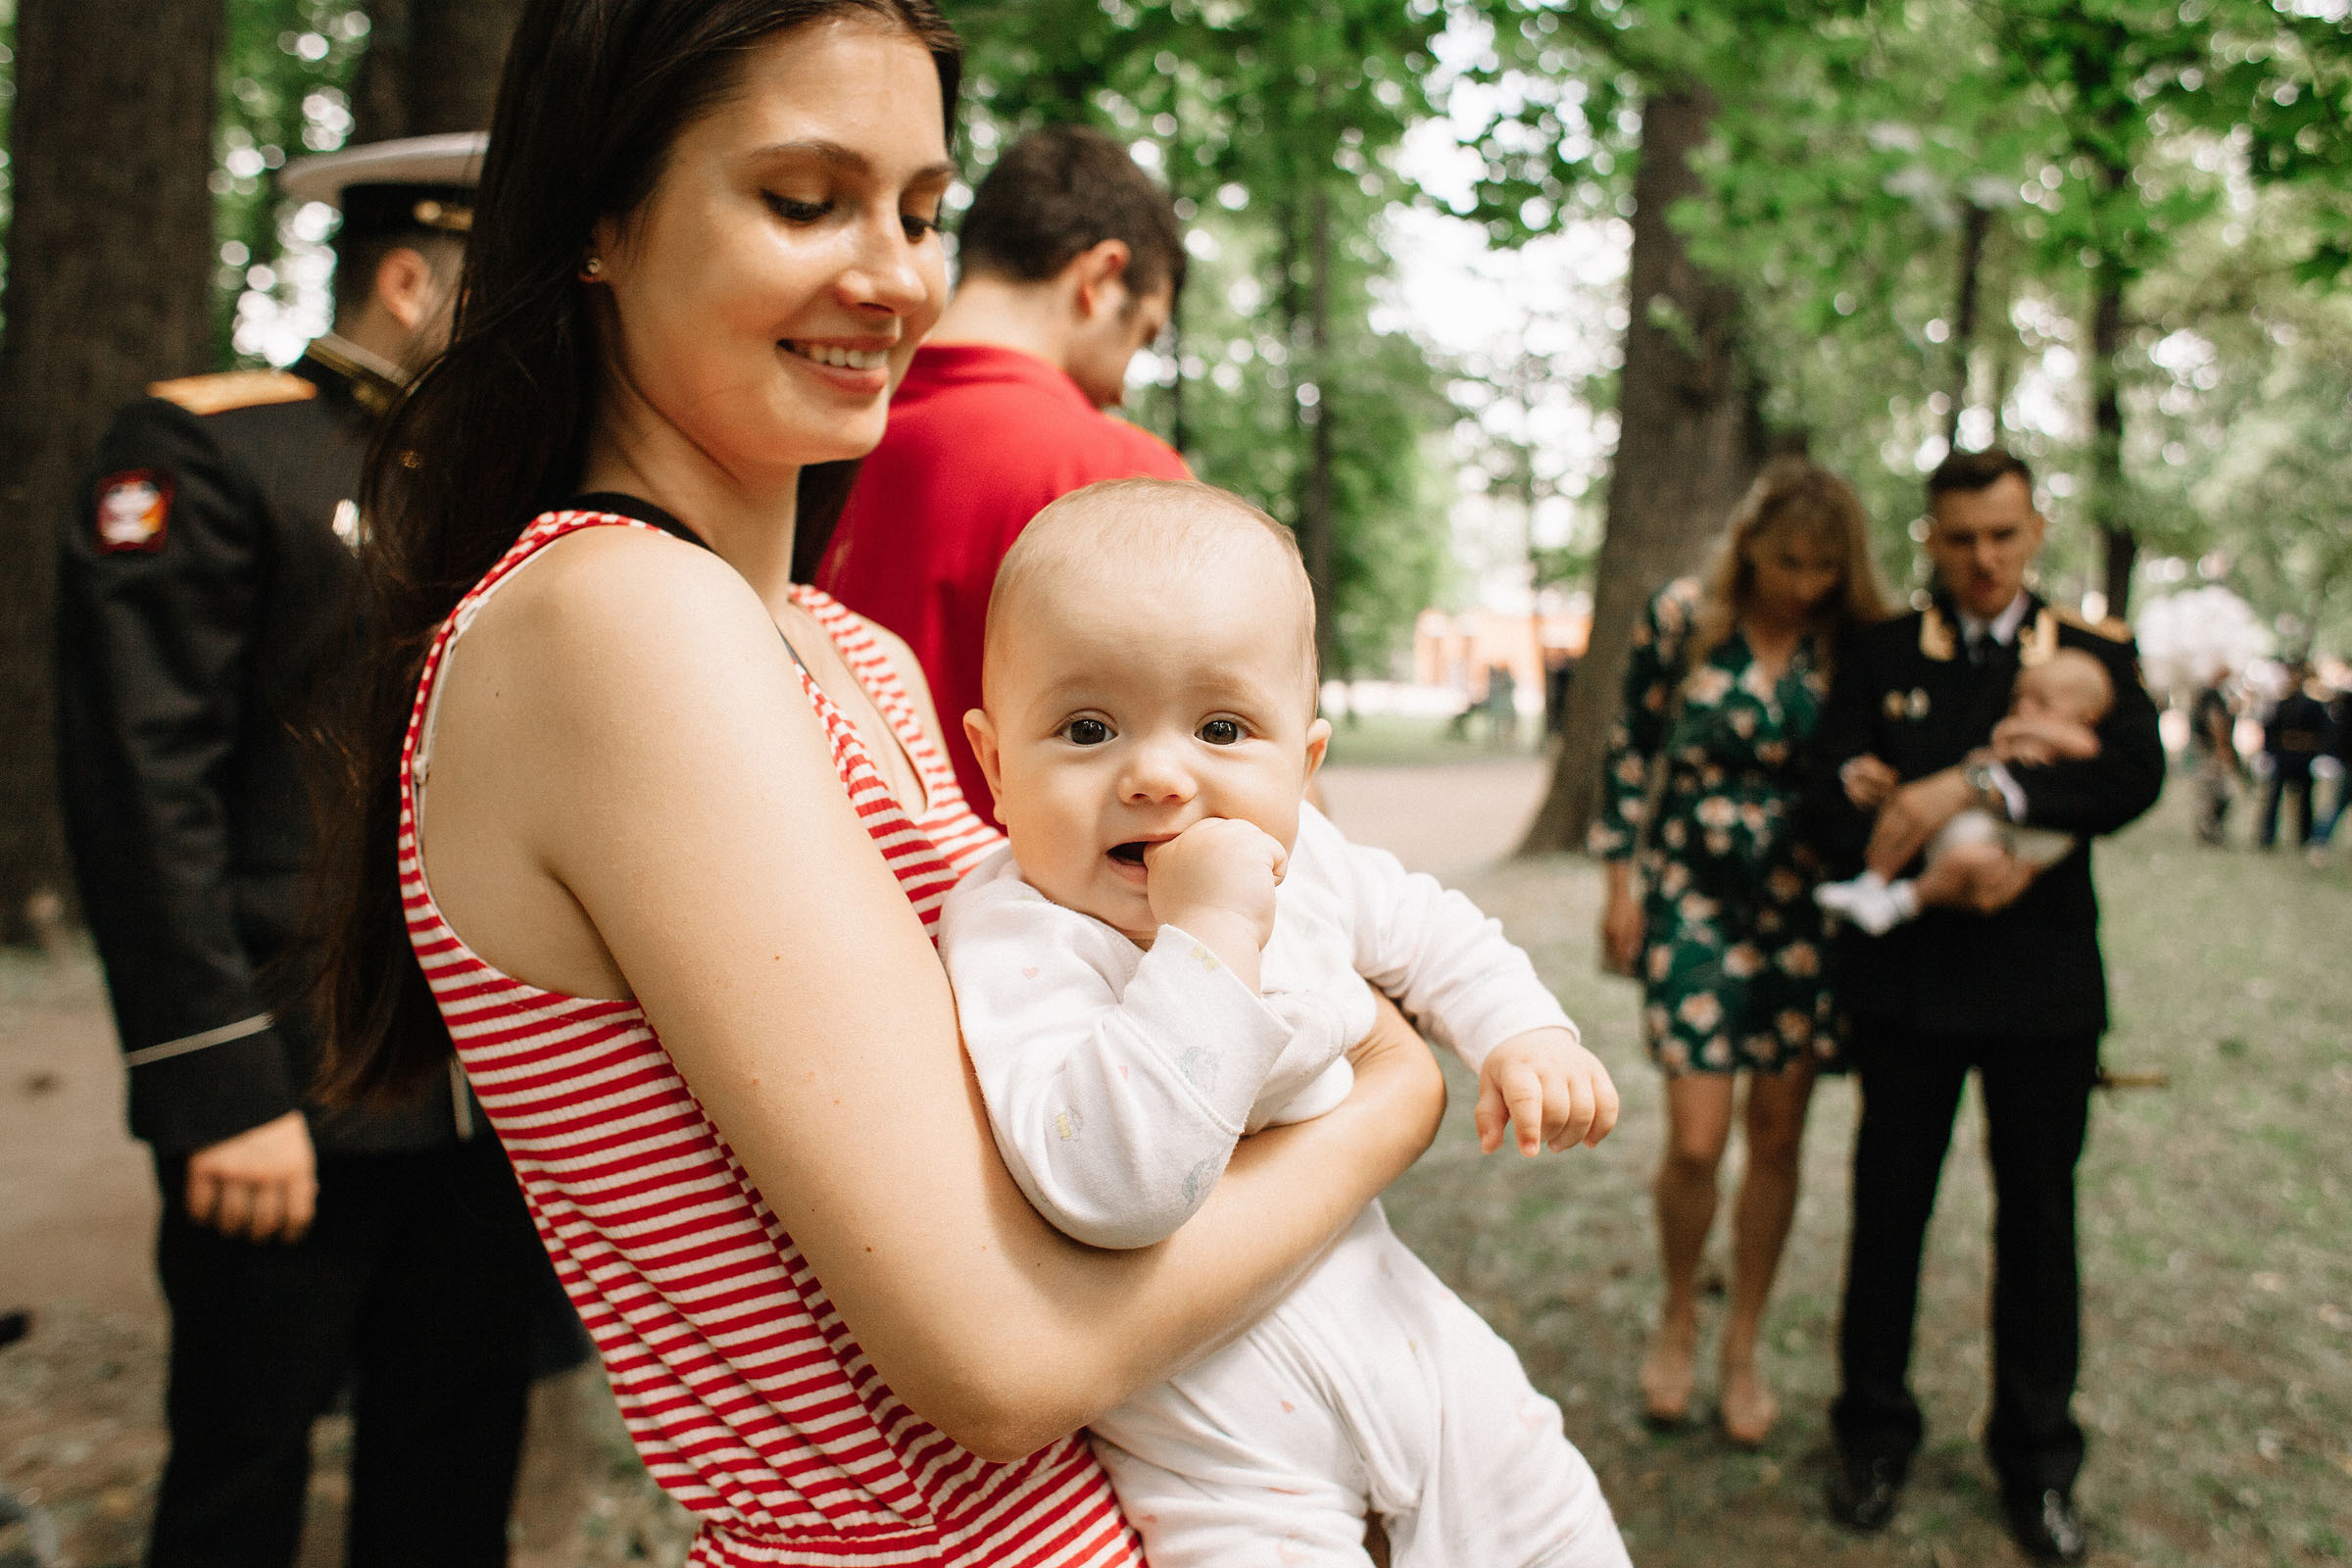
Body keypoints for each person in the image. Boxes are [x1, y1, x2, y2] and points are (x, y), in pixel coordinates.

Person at [306, 5, 1447, 1565]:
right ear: (600, 220)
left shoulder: (851, 650)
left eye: (918, 211)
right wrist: (1396, 1095)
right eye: (804, 201)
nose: (897, 276)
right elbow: (1001, 1356)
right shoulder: (616, 617)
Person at [944, 479, 1629, 1567]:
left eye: (1221, 728)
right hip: (1219, 1452)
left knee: (1552, 1521)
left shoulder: (1308, 862)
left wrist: (1524, 1032)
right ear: (993, 767)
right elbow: (1115, 1190)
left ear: (1303, 771)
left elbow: (1431, 931)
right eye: (1087, 728)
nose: (1157, 775)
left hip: (1407, 1341)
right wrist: (1211, 932)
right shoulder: (1017, 939)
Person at [54, 135, 564, 1566]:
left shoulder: (510, 484)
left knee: (453, 1477)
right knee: (241, 1468)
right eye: (499, 289)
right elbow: (140, 784)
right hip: (291, 1083)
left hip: (483, 1098)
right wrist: (218, 1084)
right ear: (408, 283)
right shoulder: (215, 450)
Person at [1805, 448, 2164, 1564]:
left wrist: (1969, 785)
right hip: (1910, 992)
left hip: (2042, 993)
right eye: (1961, 538)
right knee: (1889, 1217)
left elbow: (2130, 778)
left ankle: (2039, 1461)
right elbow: (1826, 801)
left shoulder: (2093, 650)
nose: (1984, 559)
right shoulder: (1881, 652)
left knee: (2041, 1227)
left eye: (2004, 535)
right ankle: (1872, 1436)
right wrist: (1912, 845)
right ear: (1932, 538)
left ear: (2036, 530)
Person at [1592, 455, 1888, 1447]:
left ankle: (1743, 1342)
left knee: (1778, 1136)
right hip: (1693, 899)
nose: (1803, 583)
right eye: (1787, 561)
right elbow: (1630, 750)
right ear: (1750, 545)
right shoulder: (1684, 620)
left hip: (1805, 909)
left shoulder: (1853, 643)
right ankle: (1679, 1309)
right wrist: (1621, 881)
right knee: (1695, 1138)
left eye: (1822, 566)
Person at [817, 122, 1191, 817]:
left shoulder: (803, 446)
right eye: (1141, 336)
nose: (1121, 390)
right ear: (1100, 278)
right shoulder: (1128, 480)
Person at [1815, 648, 2111, 934]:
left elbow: (2086, 748)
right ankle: (1873, 880)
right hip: (1985, 824)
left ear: (2087, 717)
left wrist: (2020, 732)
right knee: (1912, 813)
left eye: (2042, 702)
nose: (2024, 708)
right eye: (2019, 698)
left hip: (2021, 845)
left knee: (1965, 862)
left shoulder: (2076, 736)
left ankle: (1900, 903)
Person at [2257, 660, 2328, 850]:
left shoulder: (2313, 706)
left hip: (2304, 756)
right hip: (2284, 755)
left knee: (2305, 799)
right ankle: (2267, 835)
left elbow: (2323, 732)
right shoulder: (2280, 706)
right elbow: (2270, 731)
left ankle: (2305, 835)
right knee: (2275, 797)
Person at [2189, 665, 2239, 846]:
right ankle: (2209, 831)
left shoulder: (2207, 694)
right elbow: (2215, 722)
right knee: (2215, 794)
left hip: (2207, 750)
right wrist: (2222, 748)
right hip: (2210, 751)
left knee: (2213, 793)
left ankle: (2210, 830)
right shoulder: (2212, 695)